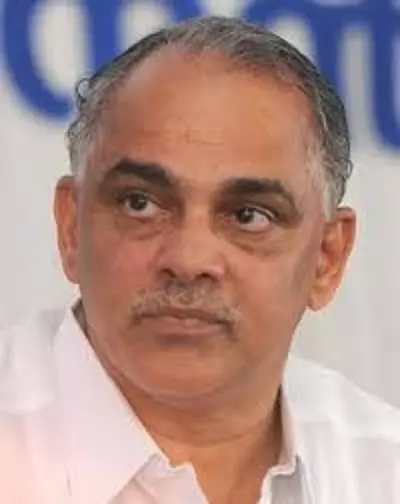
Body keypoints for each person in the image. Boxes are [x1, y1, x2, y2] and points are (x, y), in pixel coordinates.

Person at [0, 15, 399, 504]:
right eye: (140, 204)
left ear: (326, 258)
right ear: (70, 228)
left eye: (249, 216)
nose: (189, 260)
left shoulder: (384, 472)